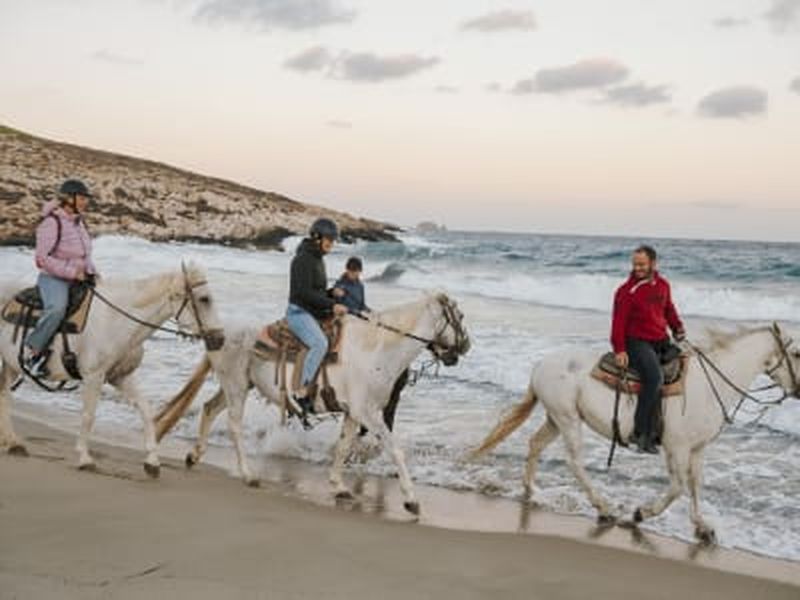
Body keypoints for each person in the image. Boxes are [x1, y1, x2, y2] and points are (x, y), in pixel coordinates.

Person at [610, 245, 685, 454]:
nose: (637, 268)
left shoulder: (663, 285)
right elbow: (617, 323)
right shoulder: (626, 291)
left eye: (642, 264)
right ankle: (641, 433)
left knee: (687, 362)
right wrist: (620, 349)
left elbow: (668, 309)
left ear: (653, 263)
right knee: (654, 378)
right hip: (636, 342)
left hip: (660, 340)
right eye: (635, 264)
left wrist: (677, 328)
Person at [24, 179, 98, 378]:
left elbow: (85, 255)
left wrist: (92, 271)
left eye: (86, 198)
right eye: (81, 198)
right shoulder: (51, 222)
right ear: (68, 199)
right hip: (54, 279)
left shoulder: (79, 222)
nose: (85, 202)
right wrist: (73, 273)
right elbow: (41, 259)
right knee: (57, 309)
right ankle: (34, 353)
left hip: (80, 278)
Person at [287, 218, 348, 415]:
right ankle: (301, 392)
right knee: (320, 343)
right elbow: (303, 293)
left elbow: (316, 292)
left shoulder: (317, 259)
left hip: (311, 311)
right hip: (299, 312)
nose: (331, 243)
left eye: (333, 240)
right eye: (328, 239)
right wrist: (332, 305)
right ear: (316, 237)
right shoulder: (303, 260)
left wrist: (331, 293)